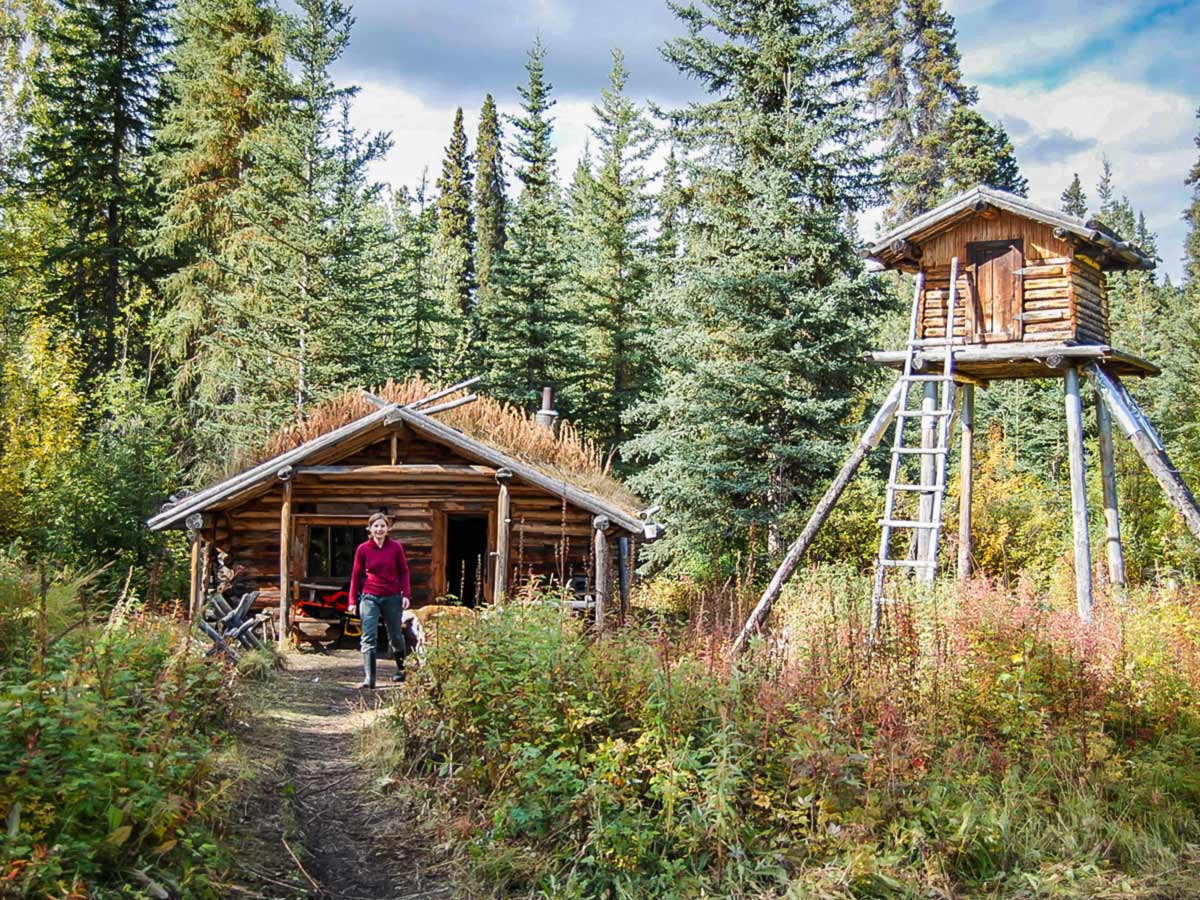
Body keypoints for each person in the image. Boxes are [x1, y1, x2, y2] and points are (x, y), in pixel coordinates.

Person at [348, 512, 411, 689]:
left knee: (396, 635)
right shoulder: (363, 549)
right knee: (368, 636)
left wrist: (406, 594)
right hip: (369, 596)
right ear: (370, 528)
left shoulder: (396, 548)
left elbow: (404, 571)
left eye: (383, 526)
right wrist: (352, 600)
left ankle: (401, 670)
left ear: (388, 528)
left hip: (392, 596)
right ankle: (369, 678)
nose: (379, 529)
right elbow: (356, 575)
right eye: (376, 526)